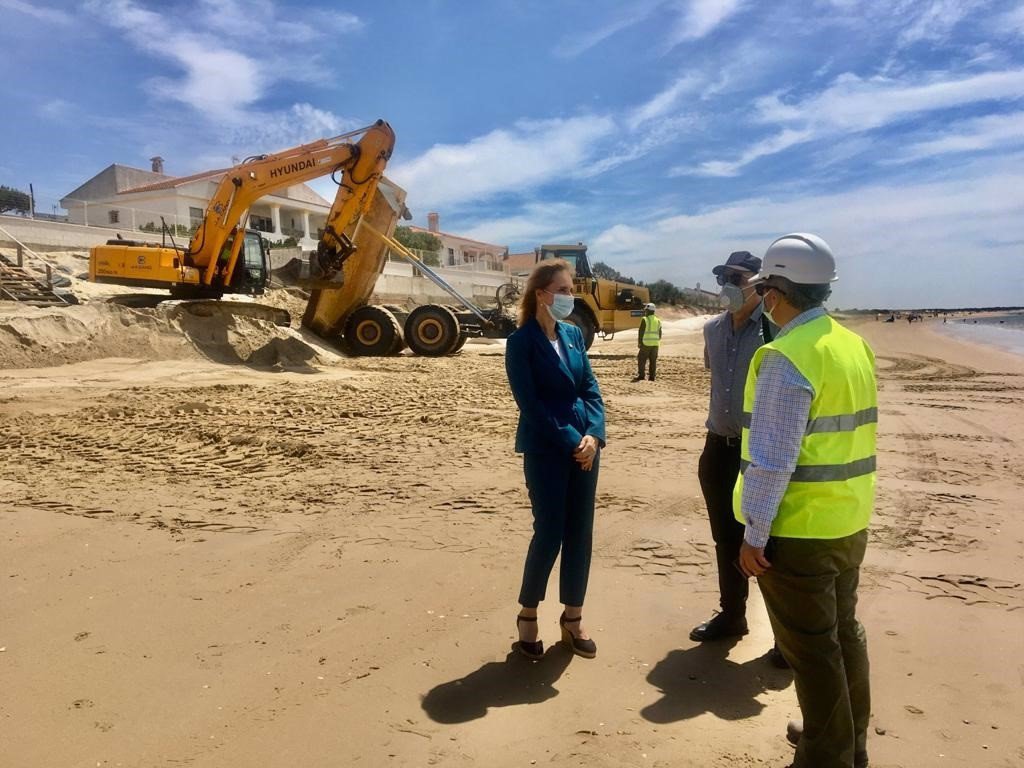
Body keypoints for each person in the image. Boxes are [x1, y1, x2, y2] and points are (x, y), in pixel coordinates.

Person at [735, 233, 877, 768]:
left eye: (764, 289)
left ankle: (826, 755)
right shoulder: (852, 344)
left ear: (776, 292)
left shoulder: (785, 357)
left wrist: (754, 534)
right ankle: (847, 738)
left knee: (812, 650)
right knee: (844, 633)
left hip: (801, 531)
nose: (761, 299)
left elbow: (773, 460)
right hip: (849, 519)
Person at [505, 259, 606, 660]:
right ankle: (528, 613)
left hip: (585, 448)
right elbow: (530, 404)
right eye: (562, 290)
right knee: (549, 532)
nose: (569, 297)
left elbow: (591, 390)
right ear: (541, 295)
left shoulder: (573, 335)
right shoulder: (521, 342)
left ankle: (573, 617)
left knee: (580, 533)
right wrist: (571, 441)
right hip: (548, 449)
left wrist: (594, 436)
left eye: (570, 289)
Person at [690, 251, 786, 666]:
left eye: (737, 277)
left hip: (758, 454)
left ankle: (785, 637)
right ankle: (732, 616)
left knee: (767, 544)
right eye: (723, 276)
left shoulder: (775, 333)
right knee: (725, 540)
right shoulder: (711, 330)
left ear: (759, 284)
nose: (728, 284)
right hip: (717, 449)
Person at [633, 302, 662, 382]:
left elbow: (641, 332)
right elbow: (660, 334)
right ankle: (652, 377)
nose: (645, 312)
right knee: (653, 361)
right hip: (655, 344)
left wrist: (639, 342)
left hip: (646, 343)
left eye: (646, 310)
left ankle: (641, 376)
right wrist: (656, 340)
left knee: (641, 359)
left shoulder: (645, 319)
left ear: (649, 311)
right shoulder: (658, 320)